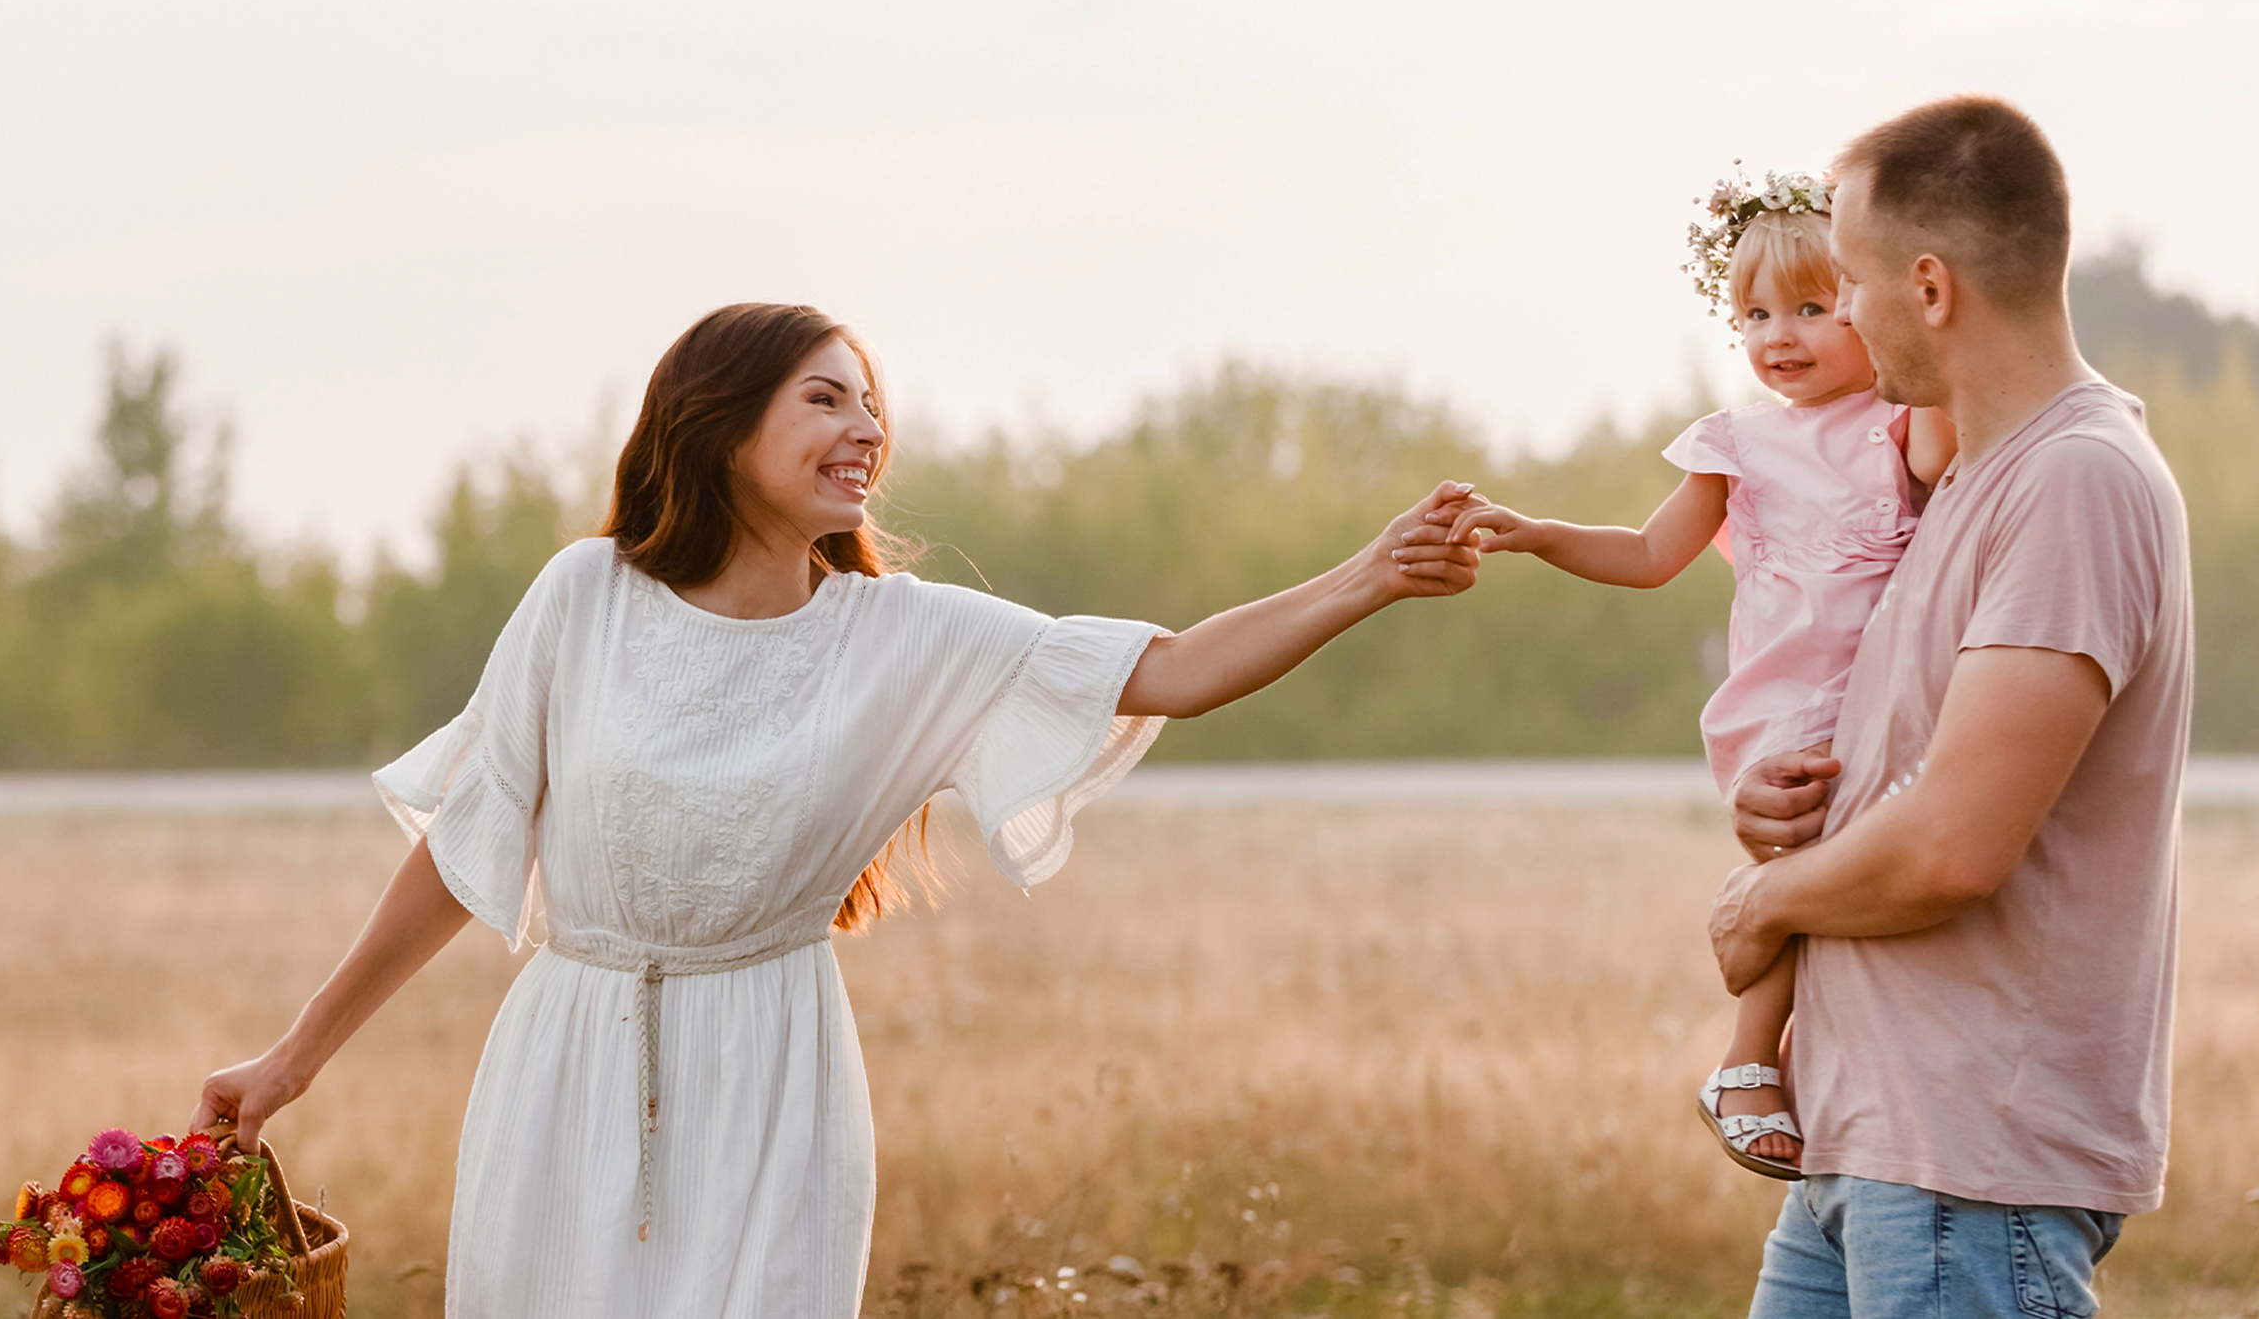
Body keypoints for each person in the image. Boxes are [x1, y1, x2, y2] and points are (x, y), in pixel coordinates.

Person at [193, 303, 1482, 1317]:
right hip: (569, 1060)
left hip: (773, 1071)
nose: (867, 428)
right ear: (719, 422)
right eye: (827, 397)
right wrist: (292, 1057)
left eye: (874, 406)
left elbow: (1178, 668)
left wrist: (1370, 574)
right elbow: (466, 851)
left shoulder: (907, 638)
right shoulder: (583, 596)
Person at [1705, 97, 2195, 1319]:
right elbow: (1912, 773)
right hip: (1866, 1139)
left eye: (1853, 284)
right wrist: (1796, 800)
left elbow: (1955, 845)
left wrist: (1757, 908)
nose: (1845, 318)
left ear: (1928, 289)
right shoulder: (1967, 475)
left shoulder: (2075, 482)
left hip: (1971, 1160)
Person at [1438, 167, 1953, 1178]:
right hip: (1792, 699)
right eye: (1754, 314)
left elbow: (1945, 440)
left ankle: (1814, 1056)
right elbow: (1646, 554)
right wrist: (1539, 533)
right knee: (1807, 865)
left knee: (1867, 881)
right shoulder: (1736, 447)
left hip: (1889, 694)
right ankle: (1747, 1059)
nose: (1780, 336)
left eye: (1815, 307)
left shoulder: (1898, 421)